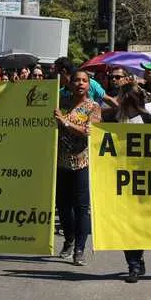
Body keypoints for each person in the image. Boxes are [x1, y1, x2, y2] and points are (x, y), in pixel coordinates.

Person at [55, 68, 101, 266]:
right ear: (70, 83)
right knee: (63, 207)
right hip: (60, 163)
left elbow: (89, 132)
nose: (80, 83)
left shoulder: (93, 107)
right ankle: (69, 239)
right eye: (76, 80)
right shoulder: (60, 103)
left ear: (89, 85)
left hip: (82, 162)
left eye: (84, 81)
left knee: (81, 208)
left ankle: (79, 250)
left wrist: (65, 122)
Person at [112, 82, 151, 282]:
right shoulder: (114, 119)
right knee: (125, 223)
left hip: (142, 179)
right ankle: (133, 264)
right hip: (119, 179)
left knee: (139, 222)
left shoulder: (147, 119)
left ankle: (137, 259)